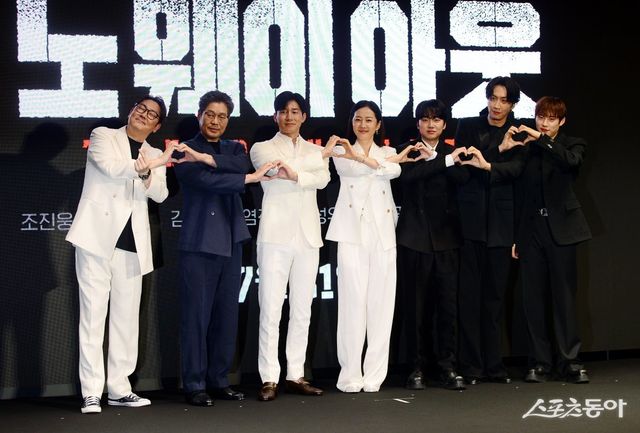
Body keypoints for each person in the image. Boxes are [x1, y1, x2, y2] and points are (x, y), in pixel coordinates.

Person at [66, 95, 175, 414]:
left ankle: (119, 388)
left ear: (157, 126)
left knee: (126, 320)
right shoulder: (103, 135)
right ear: (131, 111)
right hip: (96, 239)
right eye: (141, 109)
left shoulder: (153, 152)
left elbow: (160, 193)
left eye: (152, 114)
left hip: (132, 244)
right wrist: (148, 166)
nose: (144, 115)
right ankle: (91, 391)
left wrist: (149, 171)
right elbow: (111, 168)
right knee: (93, 316)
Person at [172, 90, 276, 407]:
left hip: (231, 241)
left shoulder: (234, 148)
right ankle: (194, 383)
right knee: (196, 318)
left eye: (222, 116)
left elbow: (242, 164)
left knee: (227, 316)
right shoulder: (183, 150)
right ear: (199, 116)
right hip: (200, 243)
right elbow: (208, 182)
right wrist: (245, 178)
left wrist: (208, 159)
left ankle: (219, 380)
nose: (215, 121)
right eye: (210, 115)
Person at [249, 91, 336, 401]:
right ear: (275, 116)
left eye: (295, 111)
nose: (289, 116)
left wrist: (295, 173)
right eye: (284, 111)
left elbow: (323, 180)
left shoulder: (316, 151)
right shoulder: (262, 147)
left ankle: (295, 374)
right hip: (275, 236)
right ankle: (269, 377)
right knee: (270, 309)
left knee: (302, 309)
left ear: (304, 116)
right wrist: (307, 169)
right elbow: (272, 171)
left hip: (308, 237)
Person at [325, 100, 411, 393]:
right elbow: (352, 170)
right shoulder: (340, 150)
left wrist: (370, 162)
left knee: (381, 306)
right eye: (358, 119)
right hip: (351, 234)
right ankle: (350, 374)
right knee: (352, 304)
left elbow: (393, 171)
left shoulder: (387, 152)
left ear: (378, 124)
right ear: (351, 122)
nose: (362, 124)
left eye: (368, 119)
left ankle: (374, 374)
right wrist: (371, 163)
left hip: (383, 235)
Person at [511, 96, 591, 384]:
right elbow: (519, 193)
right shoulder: (527, 147)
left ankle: (570, 361)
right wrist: (517, 237)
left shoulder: (573, 144)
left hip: (563, 230)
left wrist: (541, 140)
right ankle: (540, 362)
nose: (544, 123)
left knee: (564, 298)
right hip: (532, 230)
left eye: (550, 119)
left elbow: (571, 162)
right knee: (532, 299)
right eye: (540, 117)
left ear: (562, 121)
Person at [454, 76, 526, 385]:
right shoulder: (467, 126)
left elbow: (516, 170)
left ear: (513, 104)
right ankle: (471, 366)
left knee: (495, 299)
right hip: (469, 225)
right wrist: (499, 149)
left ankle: (495, 365)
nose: (497, 105)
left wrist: (490, 160)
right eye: (493, 98)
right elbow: (466, 163)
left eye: (504, 100)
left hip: (501, 226)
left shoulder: (520, 132)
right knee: (469, 299)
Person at [395, 99, 470, 391]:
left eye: (436, 119)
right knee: (415, 308)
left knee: (447, 307)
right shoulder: (407, 150)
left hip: (447, 238)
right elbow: (408, 177)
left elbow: (463, 177)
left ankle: (448, 366)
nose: (430, 124)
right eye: (425, 119)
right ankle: (416, 367)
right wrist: (442, 162)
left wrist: (441, 159)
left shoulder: (454, 152)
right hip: (414, 238)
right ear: (417, 123)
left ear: (444, 124)